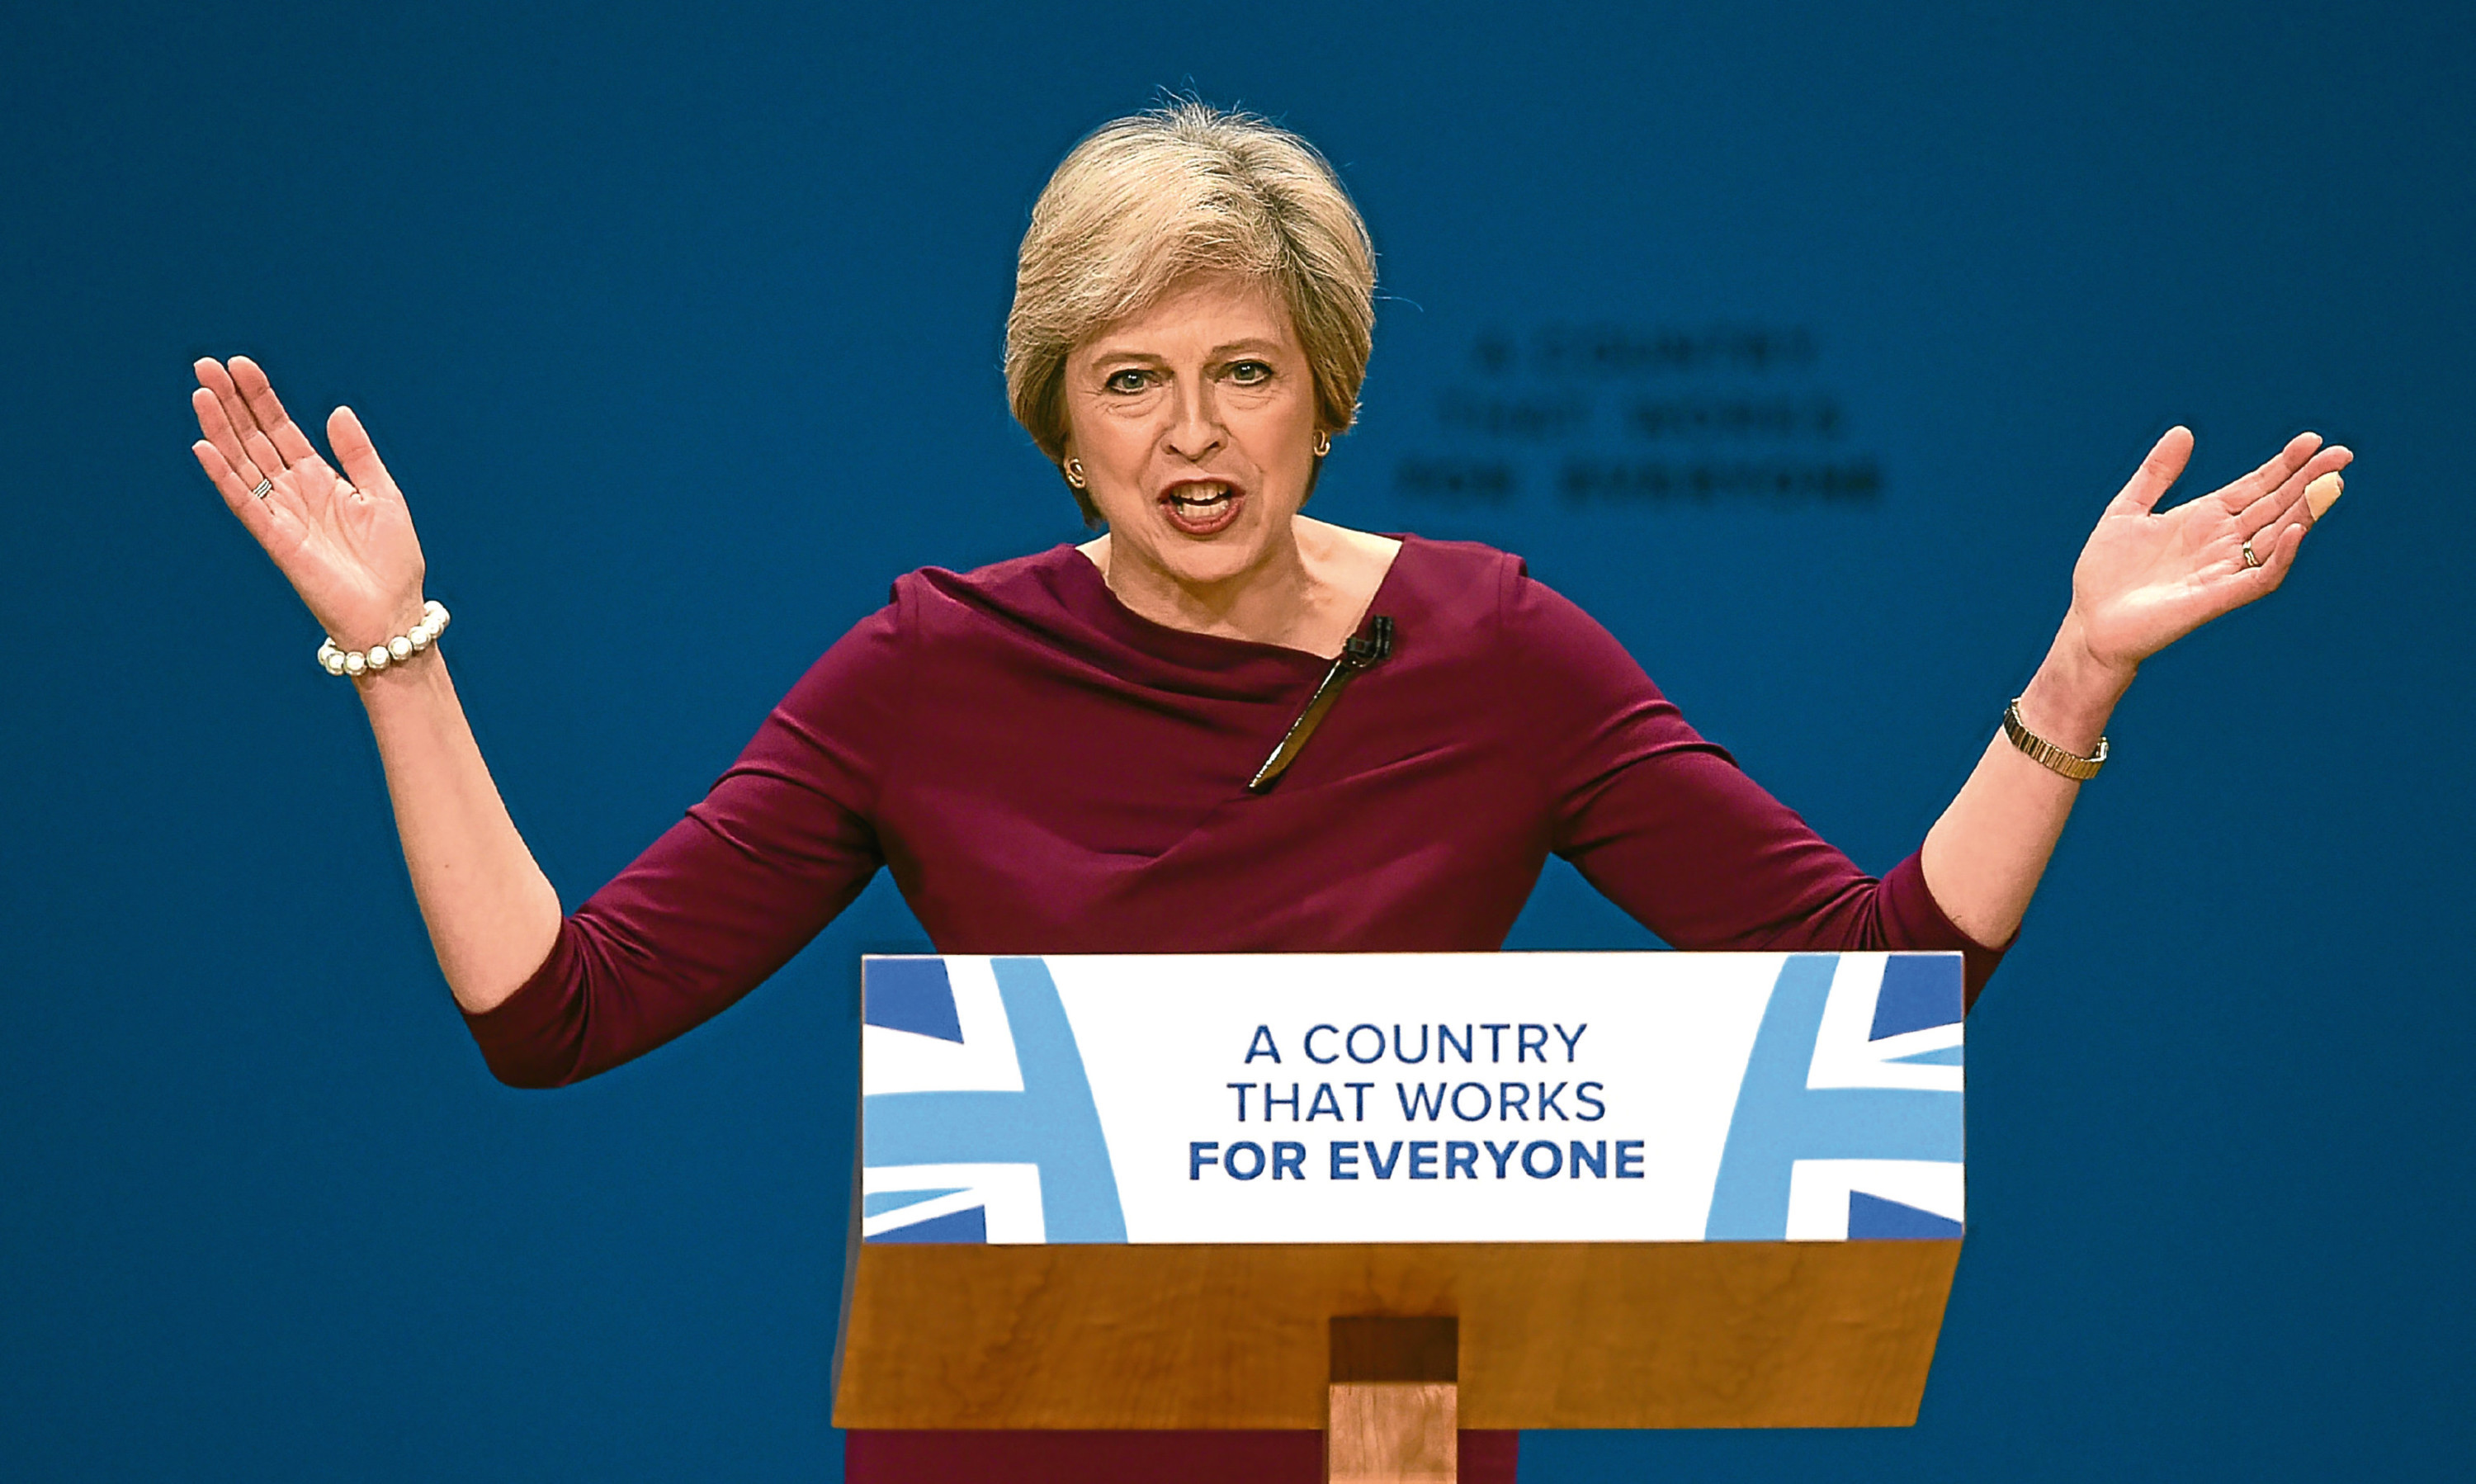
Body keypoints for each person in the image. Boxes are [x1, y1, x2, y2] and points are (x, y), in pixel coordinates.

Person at [191, 101, 2349, 1484]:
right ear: (1061, 420)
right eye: (1132, 382)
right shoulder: (925, 671)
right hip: (1011, 1429)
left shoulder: (1503, 651)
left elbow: (1871, 983)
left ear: (1327, 397)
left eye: (1245, 373)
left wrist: (2078, 667)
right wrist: (402, 643)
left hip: (1381, 1436)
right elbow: (556, 1010)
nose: (1192, 435)